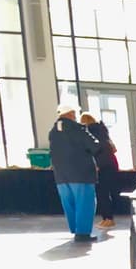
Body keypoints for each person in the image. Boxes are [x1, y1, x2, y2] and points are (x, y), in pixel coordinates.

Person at [48, 103, 102, 242]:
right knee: (85, 203)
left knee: (69, 204)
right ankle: (83, 233)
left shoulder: (53, 132)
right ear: (71, 114)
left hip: (61, 176)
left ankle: (76, 230)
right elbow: (94, 145)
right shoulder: (77, 129)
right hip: (81, 174)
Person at [80, 112, 120, 229]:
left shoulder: (89, 132)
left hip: (101, 166)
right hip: (112, 163)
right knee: (107, 192)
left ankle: (108, 219)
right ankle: (108, 218)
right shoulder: (103, 131)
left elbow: (91, 150)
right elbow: (113, 148)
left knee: (102, 193)